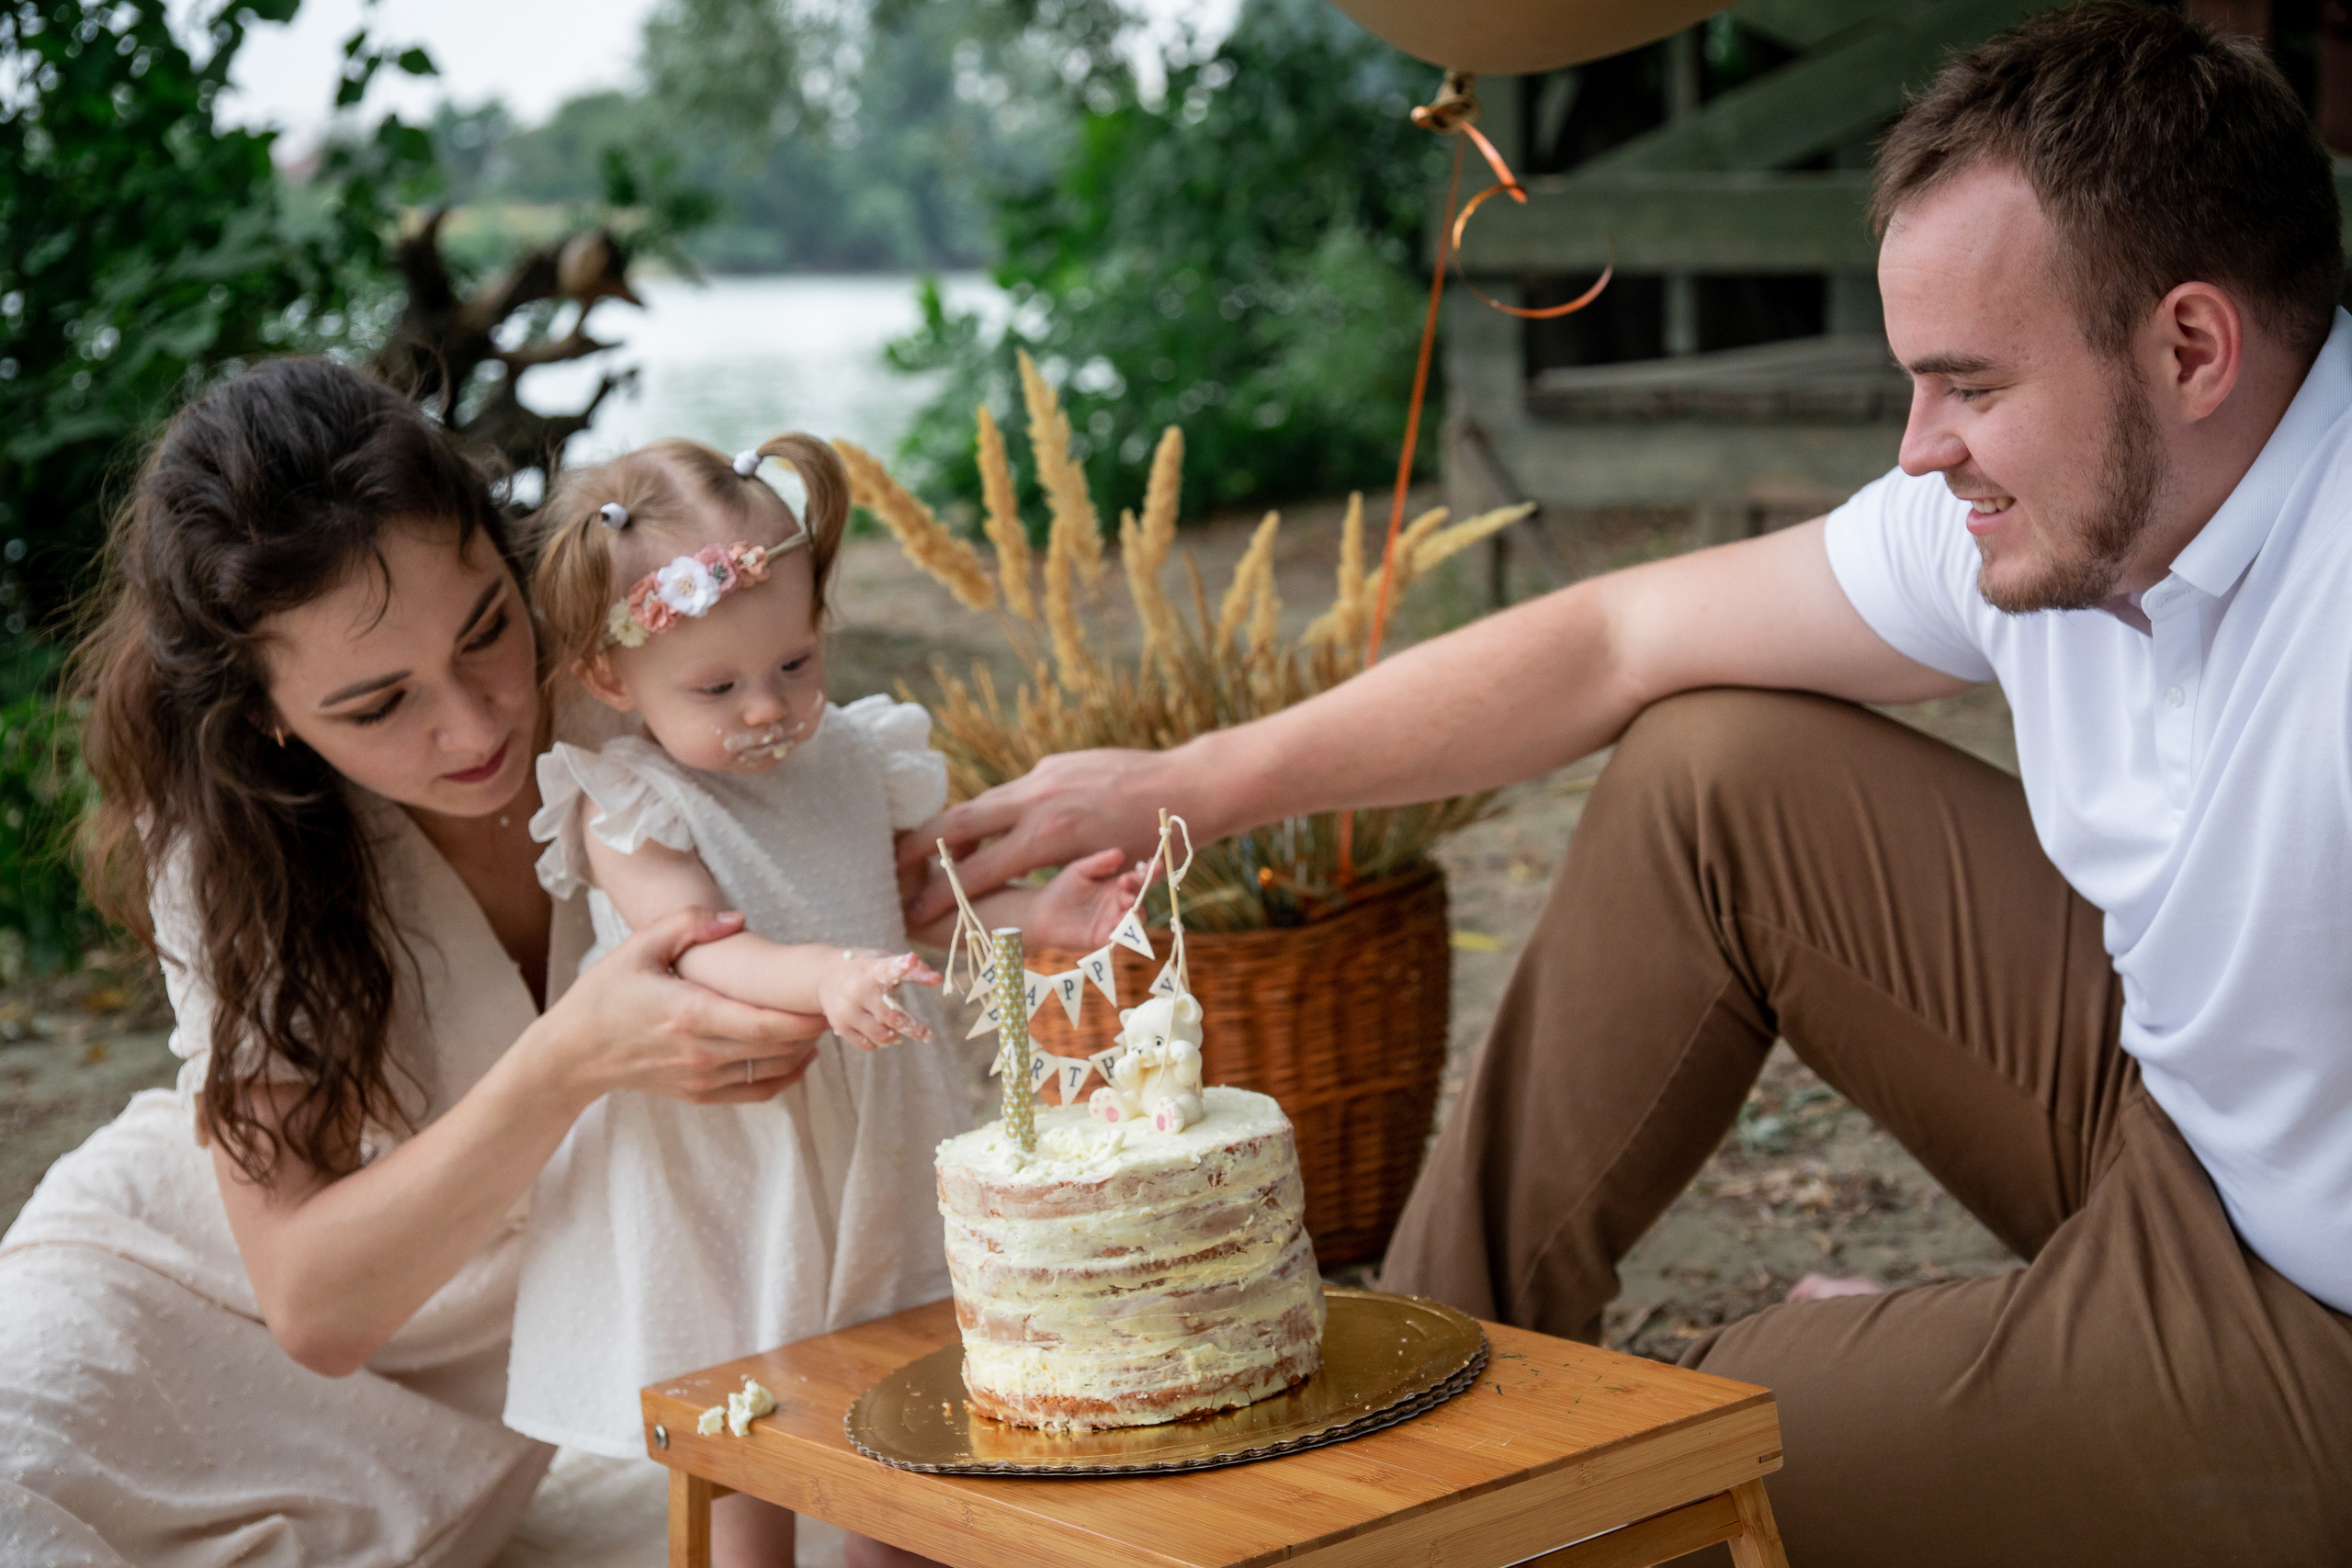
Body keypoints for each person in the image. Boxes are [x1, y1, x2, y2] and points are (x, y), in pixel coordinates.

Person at [902, 8, 2352, 1564]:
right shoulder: (2038, 501)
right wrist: (1187, 782)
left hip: (2308, 1312)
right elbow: (1613, 635)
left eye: (1970, 386)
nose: (1921, 450)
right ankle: (1396, 1382)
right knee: (1715, 770)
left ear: (2191, 347)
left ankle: (1453, 1500)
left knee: (1653, 1446)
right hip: (2188, 1112)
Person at [0, 359, 828, 1568]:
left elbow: (838, 828)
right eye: (379, 703)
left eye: (488, 625)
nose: (479, 721)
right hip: (153, 1324)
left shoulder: (636, 674)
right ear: (272, 711)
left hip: (462, 1430)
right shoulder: (232, 842)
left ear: (505, 545)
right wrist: (566, 1061)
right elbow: (313, 1301)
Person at [508, 434, 1138, 1557]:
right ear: (612, 679)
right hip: (743, 1152)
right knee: (754, 1420)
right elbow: (700, 951)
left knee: (905, 1393)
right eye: (718, 686)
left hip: (885, 1128)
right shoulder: (629, 804)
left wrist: (1036, 921)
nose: (769, 710)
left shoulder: (852, 755)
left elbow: (911, 923)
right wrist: (827, 978)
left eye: (795, 664)